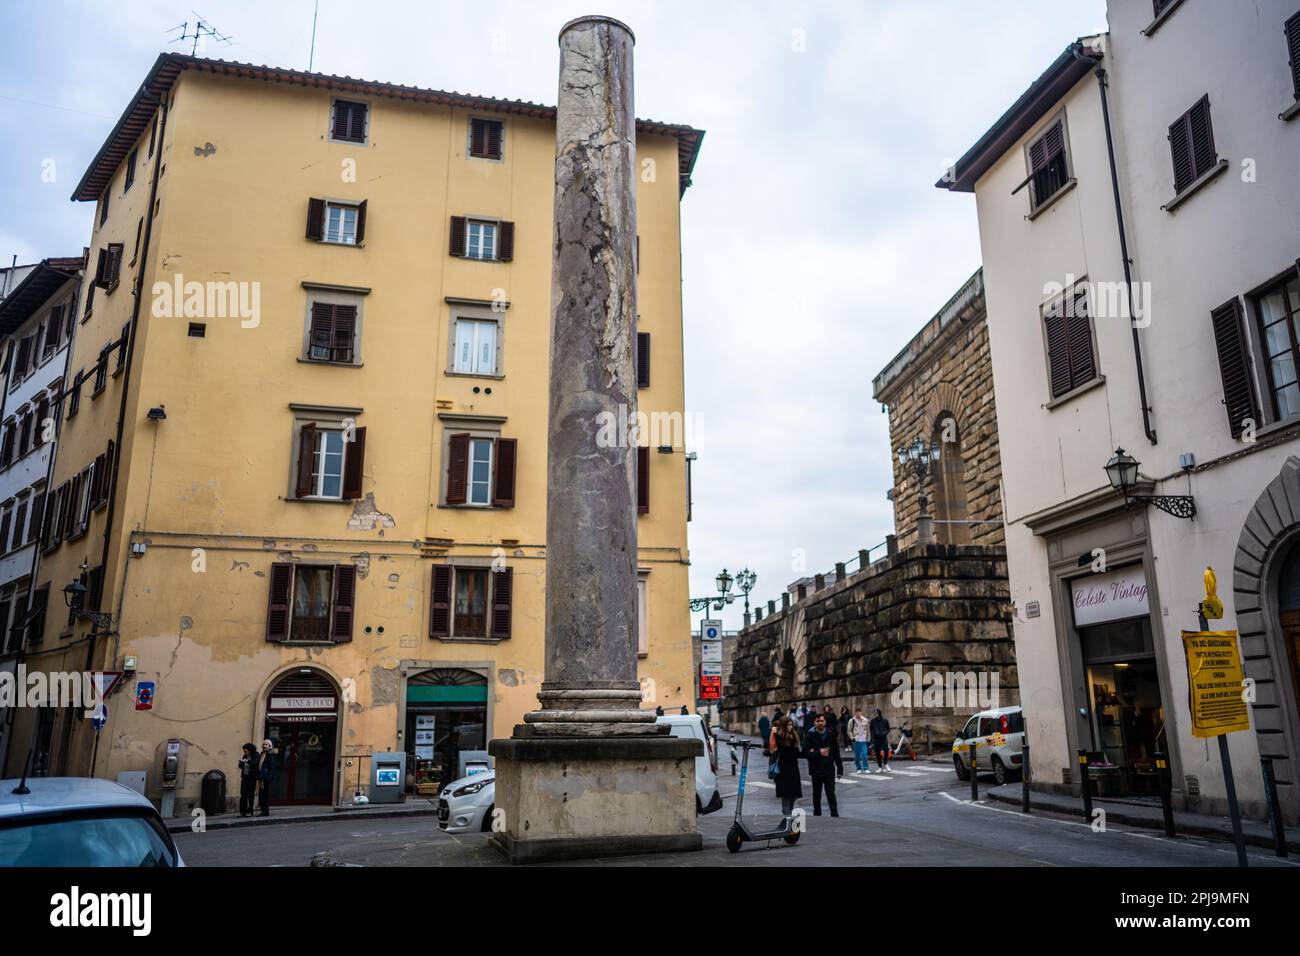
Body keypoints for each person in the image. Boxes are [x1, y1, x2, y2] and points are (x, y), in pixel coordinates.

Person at [802, 713, 842, 816]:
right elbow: (805, 753)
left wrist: (840, 769)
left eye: (822, 721)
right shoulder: (810, 736)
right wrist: (818, 752)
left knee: (830, 793)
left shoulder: (830, 734)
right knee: (816, 794)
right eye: (818, 721)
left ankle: (834, 813)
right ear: (814, 723)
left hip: (829, 769)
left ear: (825, 722)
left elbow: (836, 753)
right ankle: (817, 814)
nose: (820, 723)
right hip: (816, 769)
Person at [768, 716, 803, 825]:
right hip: (783, 769)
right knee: (785, 795)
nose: (791, 727)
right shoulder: (779, 737)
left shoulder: (794, 736)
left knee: (795, 794)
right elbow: (771, 749)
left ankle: (789, 812)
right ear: (784, 726)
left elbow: (797, 752)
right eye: (788, 725)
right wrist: (772, 734)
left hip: (793, 768)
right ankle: (787, 816)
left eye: (791, 725)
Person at [256, 738, 278, 816]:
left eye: (266, 744)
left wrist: (265, 775)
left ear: (270, 746)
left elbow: (271, 767)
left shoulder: (270, 755)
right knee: (261, 795)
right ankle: (263, 811)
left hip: (266, 778)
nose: (264, 746)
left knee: (264, 796)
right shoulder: (262, 754)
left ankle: (265, 812)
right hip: (261, 777)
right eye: (263, 744)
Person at [237, 742, 259, 816]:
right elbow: (241, 766)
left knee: (250, 795)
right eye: (244, 750)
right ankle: (243, 811)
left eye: (245, 750)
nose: (244, 752)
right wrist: (241, 763)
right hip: (245, 777)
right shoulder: (245, 756)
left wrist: (248, 761)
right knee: (243, 795)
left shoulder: (256, 755)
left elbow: (255, 765)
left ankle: (250, 811)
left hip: (252, 778)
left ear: (250, 749)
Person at [848, 708, 871, 773]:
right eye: (857, 712)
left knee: (864, 754)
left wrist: (868, 738)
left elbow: (868, 730)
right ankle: (858, 768)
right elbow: (849, 730)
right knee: (857, 756)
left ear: (861, 712)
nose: (858, 713)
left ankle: (865, 768)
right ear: (855, 713)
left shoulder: (865, 720)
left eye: (859, 712)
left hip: (863, 740)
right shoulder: (852, 720)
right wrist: (852, 737)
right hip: (856, 740)